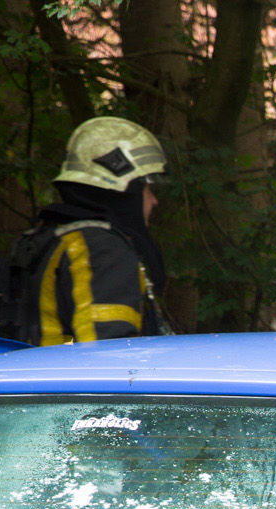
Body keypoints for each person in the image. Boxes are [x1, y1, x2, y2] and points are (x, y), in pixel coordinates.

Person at [24, 116, 171, 346]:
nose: (154, 201)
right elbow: (107, 356)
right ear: (127, 188)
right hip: (70, 372)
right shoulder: (102, 250)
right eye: (147, 189)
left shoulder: (57, 239)